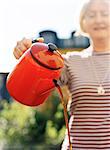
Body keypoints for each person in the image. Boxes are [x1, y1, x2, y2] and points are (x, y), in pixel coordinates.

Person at [13, 0, 110, 149]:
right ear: (83, 22)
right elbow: (41, 76)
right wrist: (28, 55)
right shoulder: (70, 60)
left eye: (104, 14)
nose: (98, 19)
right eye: (91, 15)